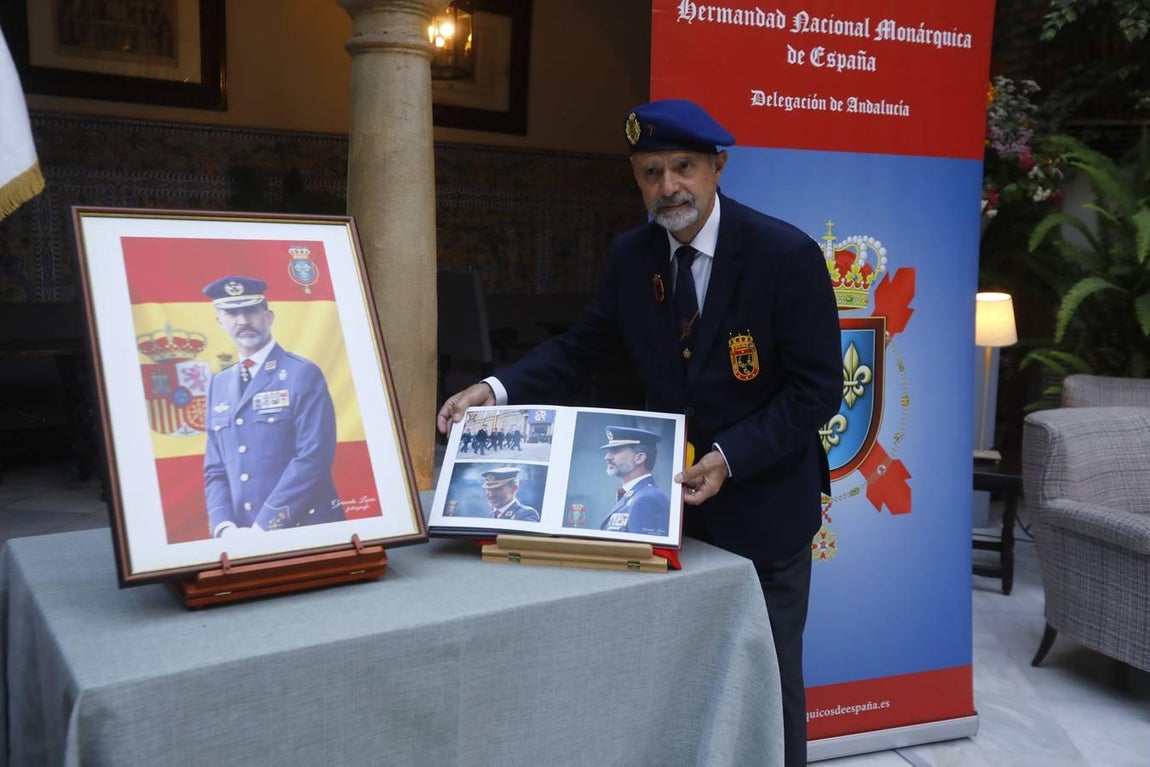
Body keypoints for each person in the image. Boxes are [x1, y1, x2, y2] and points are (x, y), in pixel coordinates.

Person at [437, 98, 841, 766]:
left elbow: (816, 388)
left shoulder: (783, 254)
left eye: (683, 167)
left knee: (768, 683)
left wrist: (727, 456)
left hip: (762, 509)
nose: (667, 187)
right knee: (682, 678)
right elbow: (580, 347)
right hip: (666, 516)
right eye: (650, 172)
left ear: (718, 167)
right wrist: (494, 389)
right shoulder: (634, 255)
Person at [202, 275, 344, 537]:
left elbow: (313, 457)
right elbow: (216, 468)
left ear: (269, 316)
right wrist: (224, 527)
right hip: (241, 535)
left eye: (251, 311)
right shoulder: (218, 384)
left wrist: (265, 526)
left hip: (303, 528)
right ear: (219, 322)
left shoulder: (302, 373)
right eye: (232, 313)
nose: (243, 321)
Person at [599, 425, 671, 536]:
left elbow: (645, 551)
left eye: (615, 450)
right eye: (608, 451)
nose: (607, 457)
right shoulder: (634, 495)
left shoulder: (648, 499)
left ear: (639, 458)